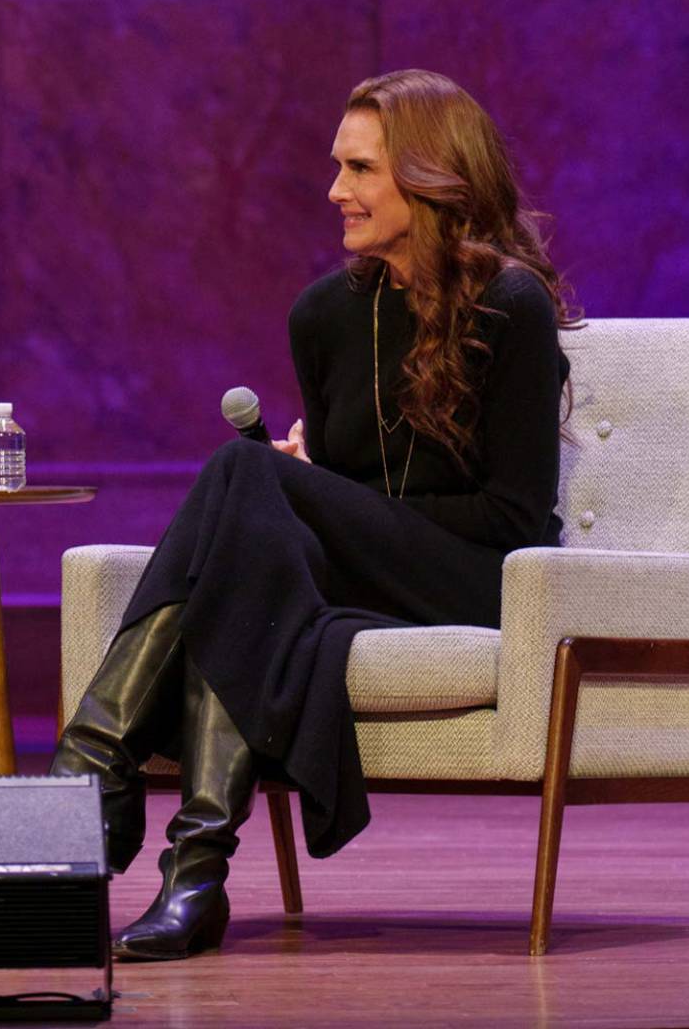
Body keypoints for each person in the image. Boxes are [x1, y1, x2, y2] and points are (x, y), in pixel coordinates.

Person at [51, 69, 579, 960]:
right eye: (339, 167)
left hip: (482, 578)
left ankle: (91, 771)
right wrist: (313, 488)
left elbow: (515, 517)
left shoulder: (510, 306)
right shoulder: (324, 315)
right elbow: (333, 497)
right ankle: (193, 875)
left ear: (430, 175)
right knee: (251, 543)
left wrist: (325, 500)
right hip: (356, 576)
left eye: (360, 168)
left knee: (242, 474)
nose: (336, 190)